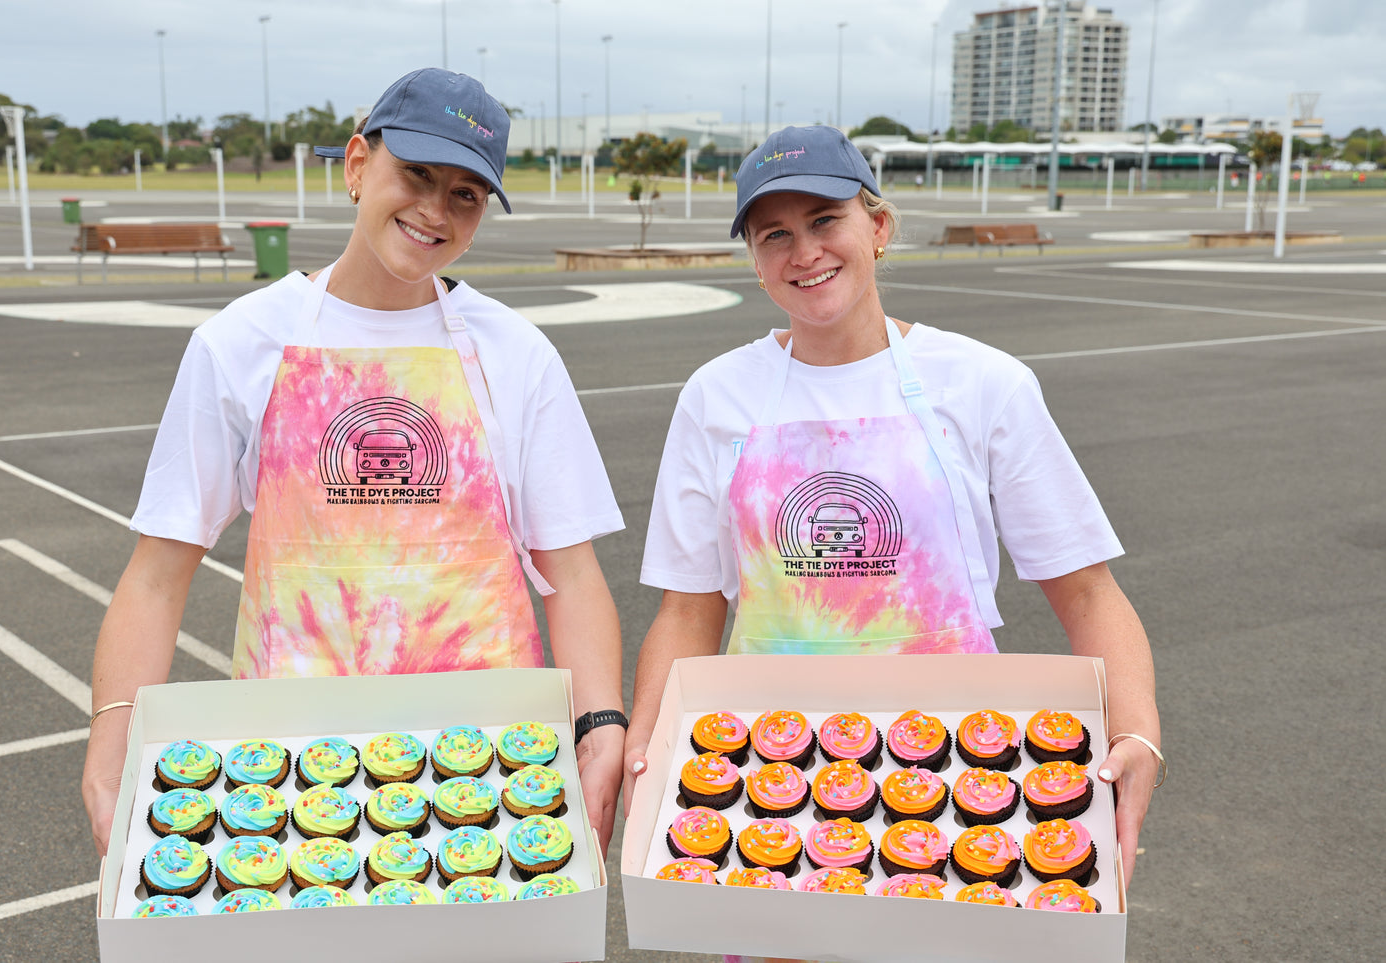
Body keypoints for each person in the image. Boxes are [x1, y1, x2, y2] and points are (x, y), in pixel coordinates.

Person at [81, 68, 627, 856]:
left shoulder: (517, 354)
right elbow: (159, 569)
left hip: (493, 767)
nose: (435, 210)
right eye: (417, 174)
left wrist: (600, 721)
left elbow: (570, 573)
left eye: (466, 195)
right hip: (294, 770)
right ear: (357, 164)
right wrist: (111, 742)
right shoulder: (241, 343)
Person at [623, 125, 1161, 891]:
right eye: (774, 233)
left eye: (824, 220)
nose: (802, 250)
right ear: (753, 256)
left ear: (876, 227)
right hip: (765, 770)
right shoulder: (717, 394)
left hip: (956, 765)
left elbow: (1086, 591)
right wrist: (650, 742)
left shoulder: (982, 382)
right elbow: (687, 609)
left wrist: (1138, 731)